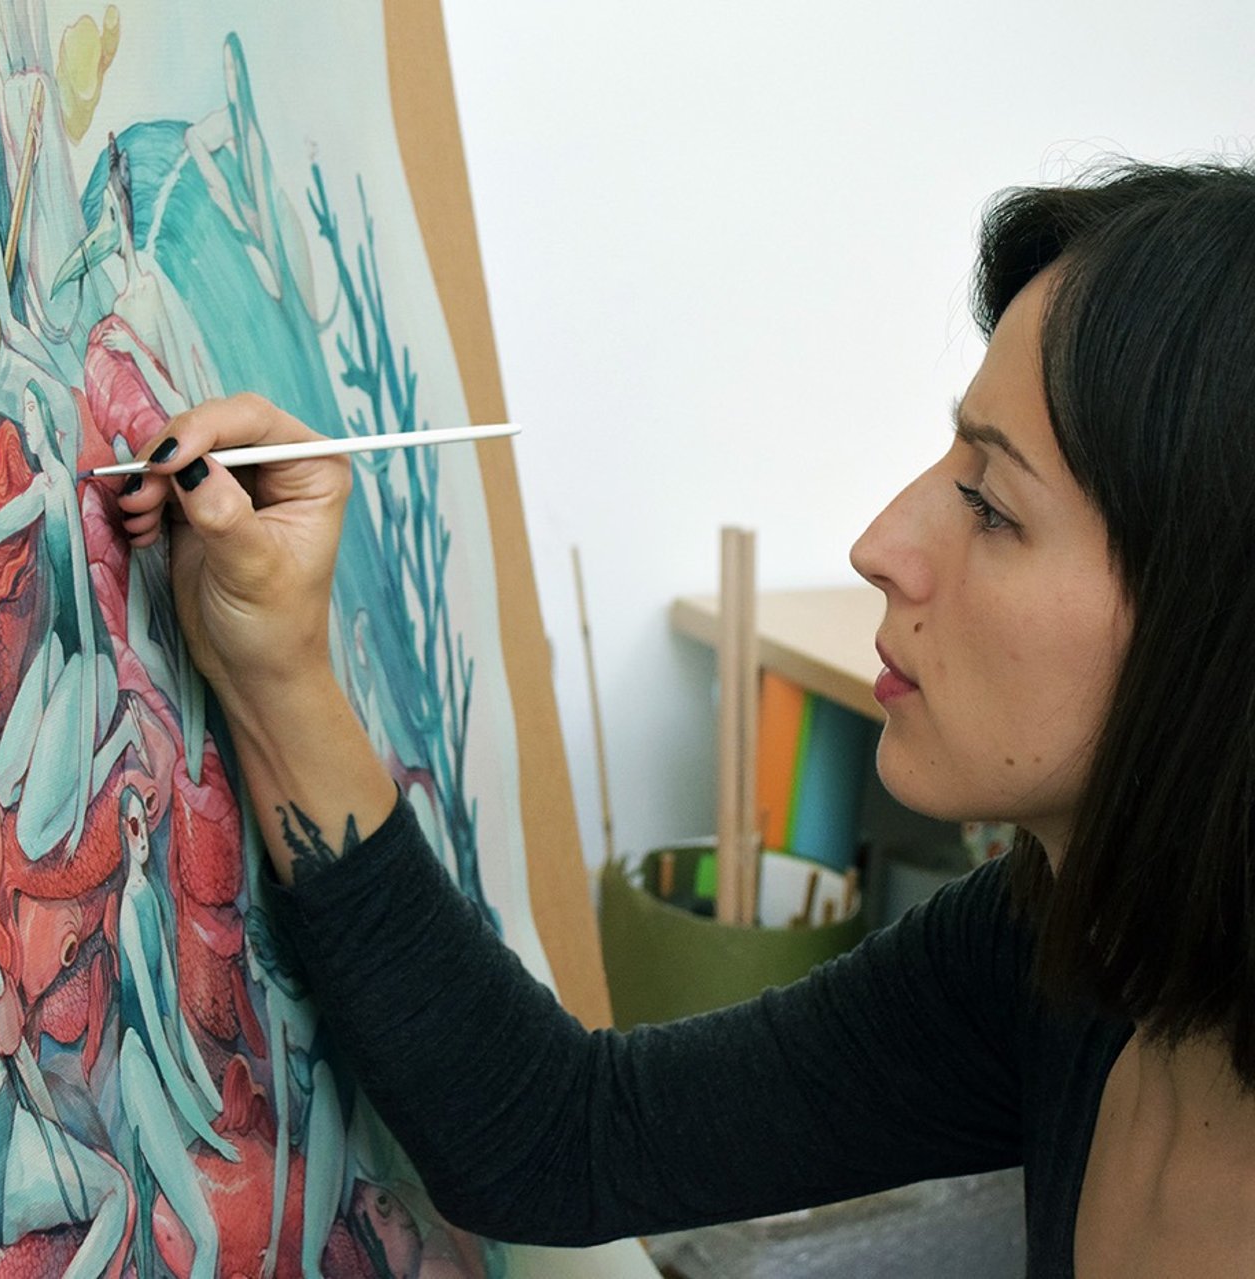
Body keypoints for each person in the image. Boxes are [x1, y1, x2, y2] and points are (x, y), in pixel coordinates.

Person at [115, 162, 1255, 1277]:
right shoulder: (1068, 951)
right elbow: (560, 1135)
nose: (881, 546)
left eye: (991, 507)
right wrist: (277, 673)